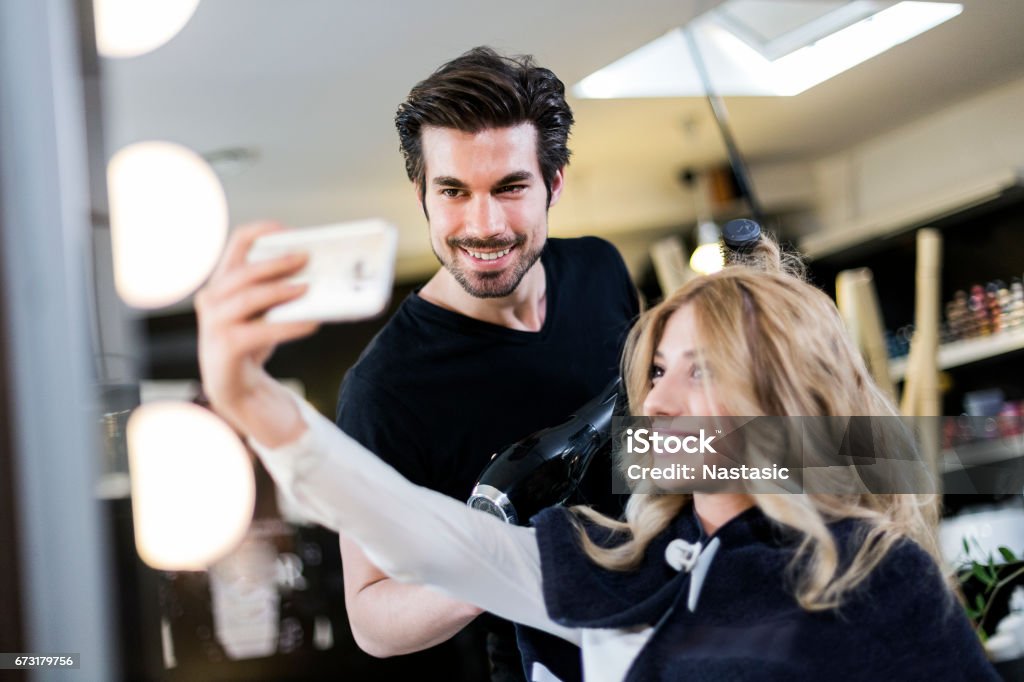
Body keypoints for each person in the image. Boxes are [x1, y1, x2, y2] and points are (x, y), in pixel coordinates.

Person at [197, 233, 999, 681]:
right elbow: (428, 540)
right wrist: (253, 405)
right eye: (655, 370)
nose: (661, 400)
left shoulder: (876, 578)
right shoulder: (618, 564)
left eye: (702, 369)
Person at [208, 47, 639, 680]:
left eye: (511, 187)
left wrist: (816, 456)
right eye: (454, 191)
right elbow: (372, 619)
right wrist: (505, 557)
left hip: (672, 615)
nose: (483, 224)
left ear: (554, 182)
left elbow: (648, 440)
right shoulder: (386, 388)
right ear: (422, 193)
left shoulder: (601, 268)